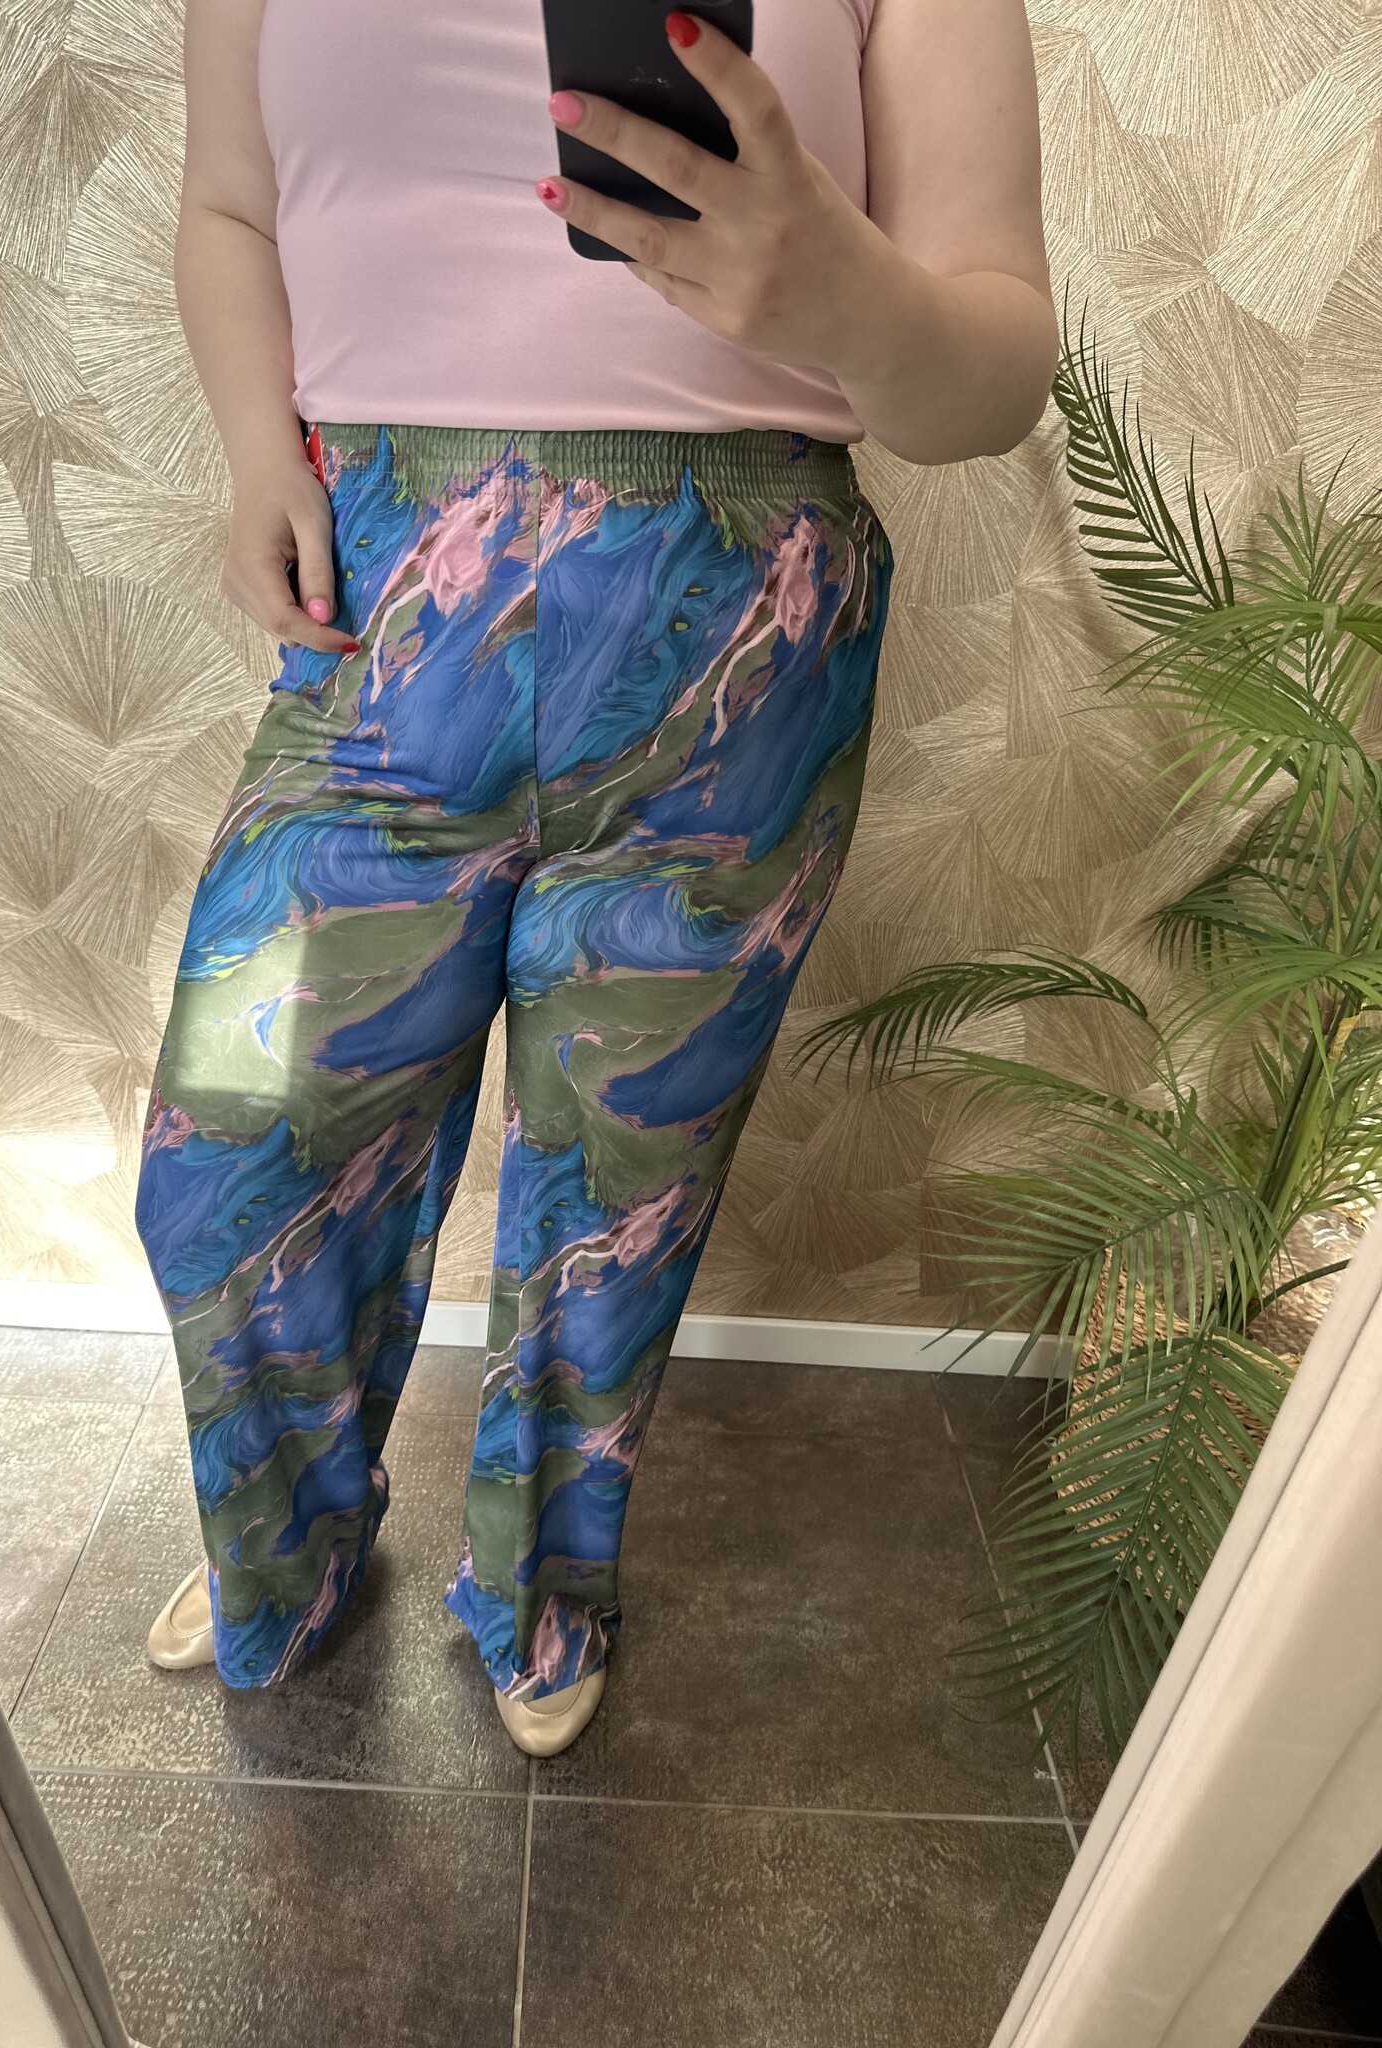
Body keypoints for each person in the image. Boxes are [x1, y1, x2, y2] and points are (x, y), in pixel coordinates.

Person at [133, 0, 1057, 1757]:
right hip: (385, 611)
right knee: (234, 1156)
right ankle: (287, 1547)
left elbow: (996, 369)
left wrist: (844, 298)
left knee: (619, 1170)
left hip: (740, 629)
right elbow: (231, 203)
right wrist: (260, 448)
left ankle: (544, 1590)